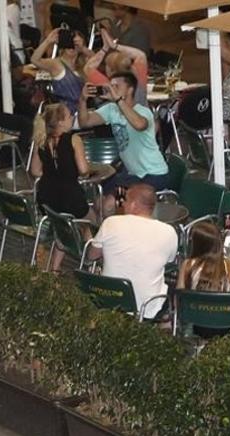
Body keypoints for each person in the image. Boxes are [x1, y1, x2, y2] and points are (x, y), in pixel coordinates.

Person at [78, 71, 169, 215]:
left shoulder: (143, 112)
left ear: (130, 89)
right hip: (131, 174)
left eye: (116, 86)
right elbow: (85, 122)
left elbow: (139, 124)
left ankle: (124, 229)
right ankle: (113, 231)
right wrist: (82, 100)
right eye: (111, 85)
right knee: (99, 204)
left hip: (152, 175)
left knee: (110, 206)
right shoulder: (111, 109)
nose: (112, 89)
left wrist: (118, 100)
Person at [86, 183, 177, 320]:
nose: (123, 204)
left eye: (125, 200)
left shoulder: (111, 223)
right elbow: (170, 261)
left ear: (134, 205)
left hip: (108, 298)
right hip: (147, 307)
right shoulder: (169, 232)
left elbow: (91, 255)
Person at [30, 102, 90, 271]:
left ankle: (54, 270)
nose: (73, 118)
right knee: (93, 222)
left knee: (61, 228)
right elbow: (84, 170)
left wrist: (53, 171)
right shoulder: (74, 139)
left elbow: (35, 171)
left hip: (47, 198)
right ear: (61, 122)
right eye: (70, 116)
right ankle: (89, 259)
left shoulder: (41, 139)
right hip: (70, 198)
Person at [83, 28, 149, 106]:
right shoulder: (138, 81)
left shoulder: (107, 85)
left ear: (111, 70)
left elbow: (88, 67)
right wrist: (114, 46)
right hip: (141, 117)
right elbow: (140, 55)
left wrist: (105, 48)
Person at [176, 220, 230, 294]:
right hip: (223, 305)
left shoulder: (188, 264)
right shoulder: (229, 266)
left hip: (194, 305)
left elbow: (180, 295)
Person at [29, 28, 88, 107]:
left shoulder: (83, 64)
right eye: (70, 42)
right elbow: (34, 59)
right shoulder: (56, 63)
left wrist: (83, 48)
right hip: (65, 109)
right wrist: (48, 41)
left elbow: (97, 60)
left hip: (83, 109)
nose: (72, 47)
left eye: (75, 44)